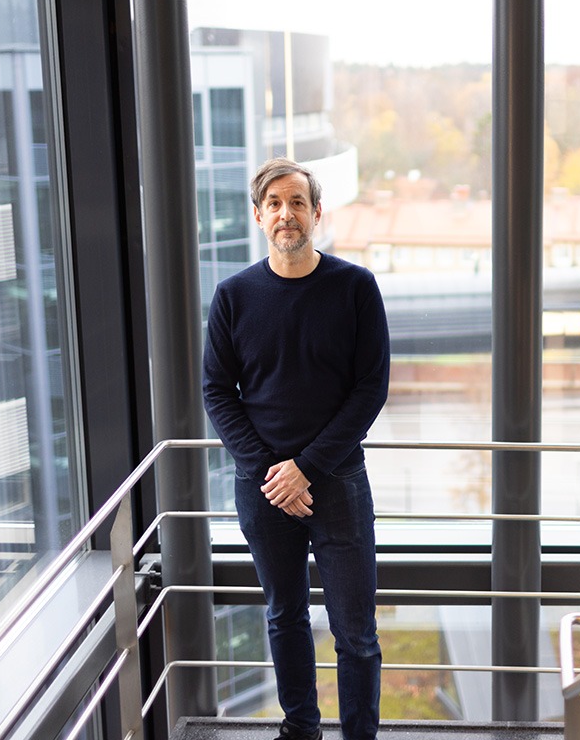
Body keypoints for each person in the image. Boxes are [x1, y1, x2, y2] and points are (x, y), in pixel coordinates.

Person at [203, 158, 390, 740]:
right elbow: (217, 390)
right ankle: (300, 728)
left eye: (297, 202)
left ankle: (359, 734)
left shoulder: (354, 287)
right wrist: (271, 474)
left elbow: (371, 388)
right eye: (275, 204)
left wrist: (305, 469)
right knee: (284, 615)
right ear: (259, 216)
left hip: (337, 482)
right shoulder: (233, 296)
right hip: (262, 488)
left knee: (355, 628)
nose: (287, 214)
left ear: (315, 213)